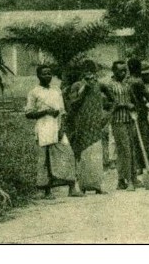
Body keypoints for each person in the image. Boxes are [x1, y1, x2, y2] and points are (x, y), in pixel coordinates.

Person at [25, 64, 81, 199]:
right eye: (44, 74)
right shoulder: (34, 92)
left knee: (67, 155)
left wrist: (62, 128)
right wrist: (44, 111)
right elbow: (28, 113)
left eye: (49, 73)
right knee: (45, 160)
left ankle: (72, 187)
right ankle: (45, 190)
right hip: (43, 128)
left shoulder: (57, 91)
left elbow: (62, 112)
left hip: (57, 127)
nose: (48, 76)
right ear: (38, 76)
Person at [64, 59, 107, 194]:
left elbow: (112, 100)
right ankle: (82, 186)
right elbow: (73, 105)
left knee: (96, 153)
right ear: (82, 73)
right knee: (83, 153)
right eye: (86, 71)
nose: (90, 74)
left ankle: (97, 185)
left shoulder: (99, 85)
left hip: (95, 124)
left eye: (92, 71)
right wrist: (84, 91)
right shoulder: (77, 86)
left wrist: (107, 115)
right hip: (81, 124)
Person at [102, 60, 139, 190]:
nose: (123, 73)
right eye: (120, 70)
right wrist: (124, 105)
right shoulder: (109, 86)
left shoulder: (126, 85)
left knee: (131, 150)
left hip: (129, 120)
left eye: (125, 70)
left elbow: (133, 100)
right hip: (118, 121)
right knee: (125, 150)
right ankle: (128, 181)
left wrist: (133, 106)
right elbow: (106, 104)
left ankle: (126, 179)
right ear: (114, 71)